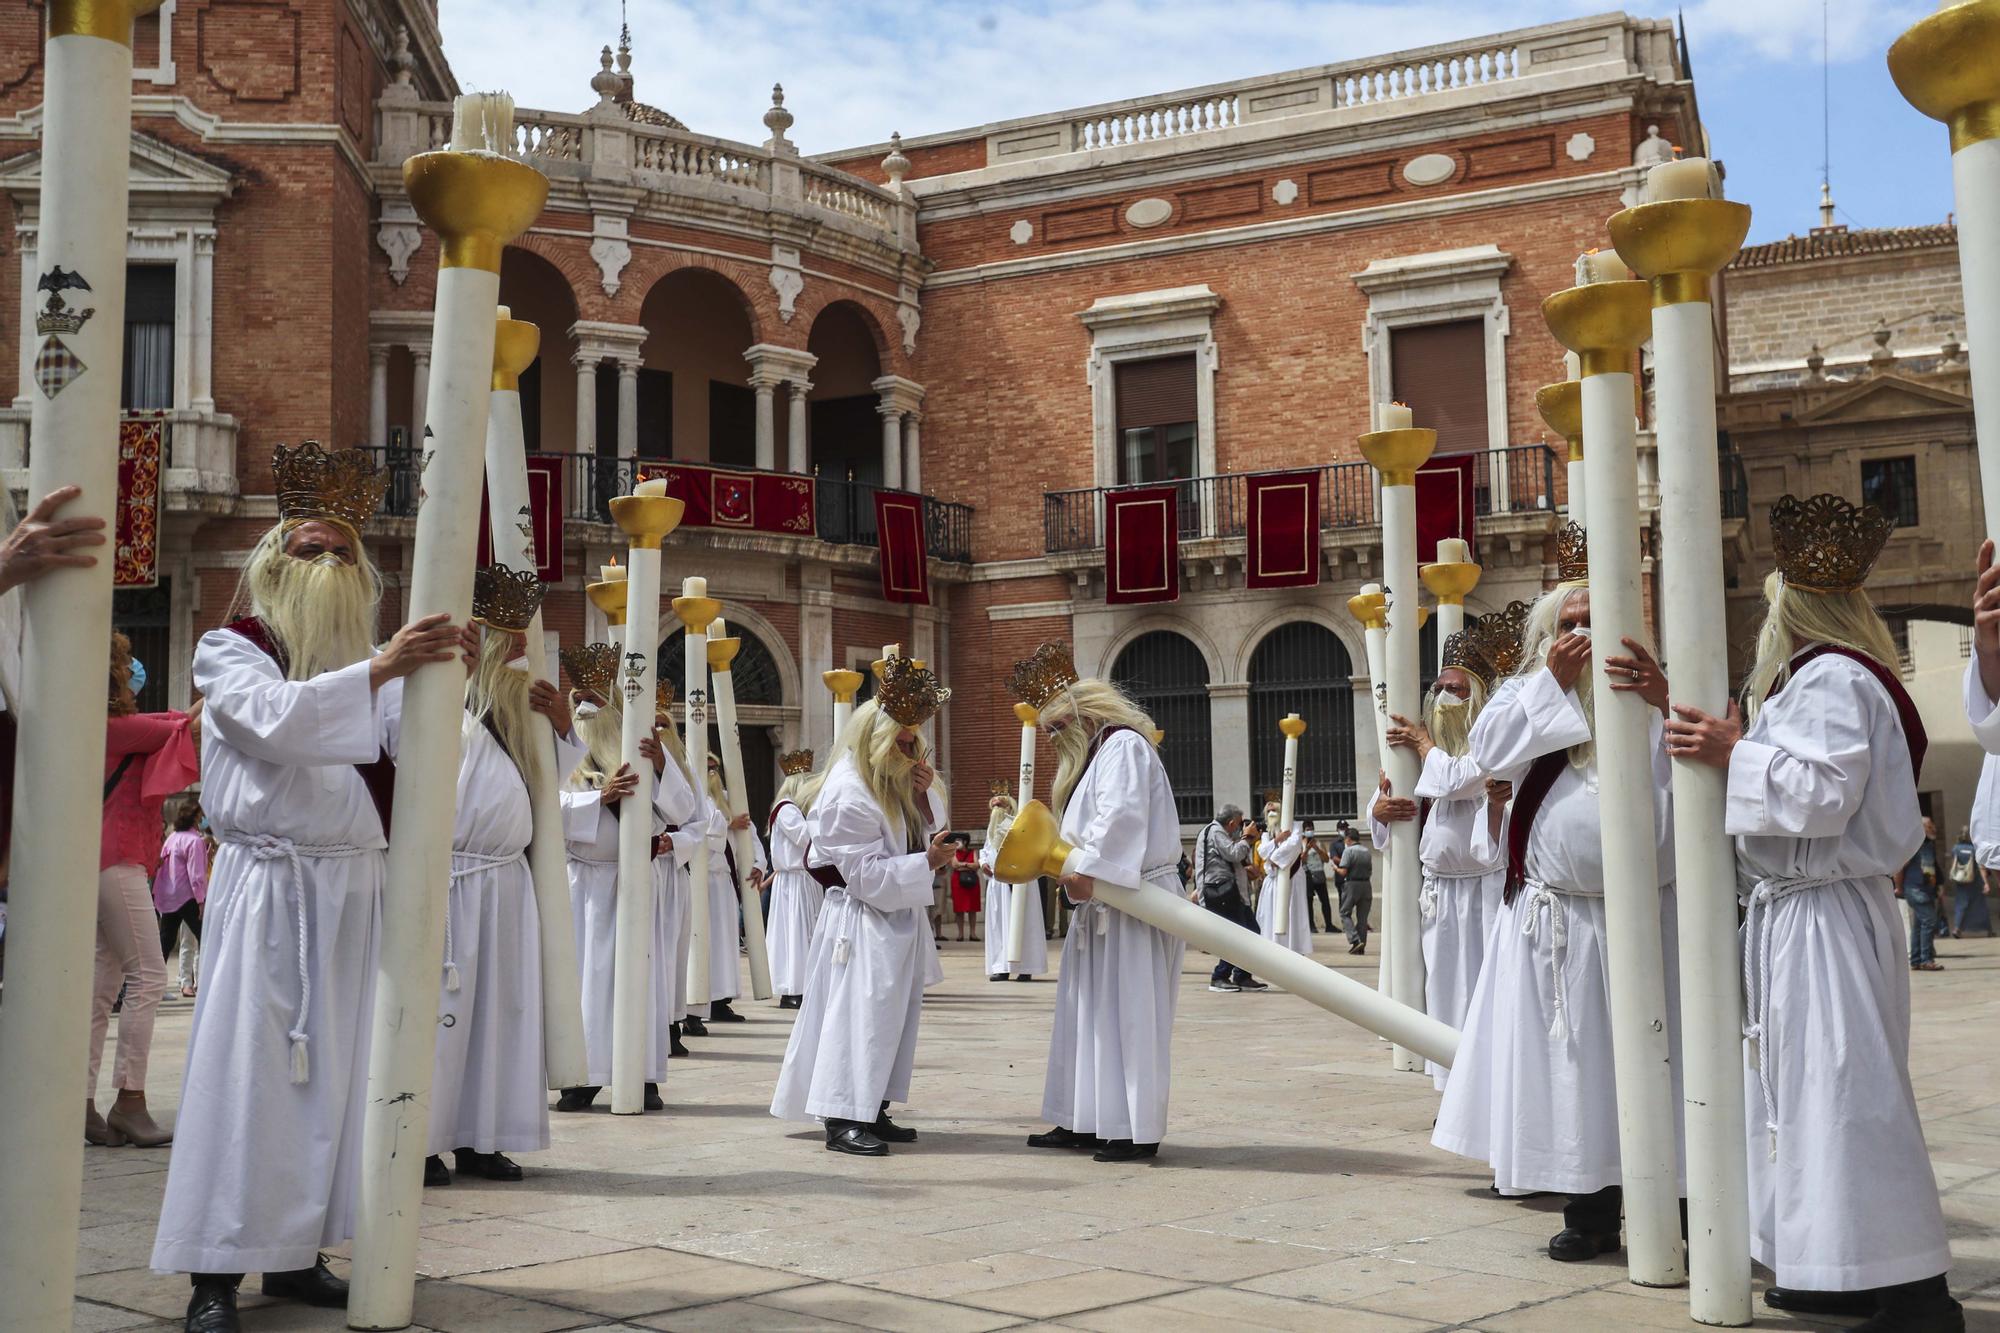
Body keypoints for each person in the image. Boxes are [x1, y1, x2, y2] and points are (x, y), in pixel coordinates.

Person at [150, 442, 472, 1333]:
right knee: (249, 1078)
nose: (327, 565)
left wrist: (451, 675)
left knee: (338, 1083)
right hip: (271, 890)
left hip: (354, 892)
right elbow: (274, 724)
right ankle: (214, 1271)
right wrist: (383, 670)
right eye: (308, 550)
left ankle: (297, 1255)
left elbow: (427, 759)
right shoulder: (231, 649)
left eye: (342, 552)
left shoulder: (377, 666)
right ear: (271, 567)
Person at [1668, 493, 1961, 1331]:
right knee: (1805, 1098)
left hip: (1825, 915)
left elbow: (1825, 795)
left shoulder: (1834, 675)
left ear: (1792, 610)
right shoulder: (1821, 680)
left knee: (1848, 1096)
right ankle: (1831, 1265)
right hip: (1804, 914)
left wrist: (1736, 751)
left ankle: (1917, 1297)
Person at [1431, 525, 1684, 1265]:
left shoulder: (1645, 690)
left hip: (1648, 915)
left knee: (1660, 1061)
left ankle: (1682, 1201)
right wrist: (1550, 682)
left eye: (1590, 620)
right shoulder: (1525, 695)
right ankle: (1591, 1206)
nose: (1578, 633)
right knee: (1575, 1066)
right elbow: (1489, 750)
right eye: (1565, 623)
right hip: (1559, 923)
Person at [422, 567, 578, 1186]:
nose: (522, 654)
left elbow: (549, 788)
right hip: (453, 883)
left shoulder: (515, 719)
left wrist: (563, 726)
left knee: (501, 1016)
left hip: (507, 885)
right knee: (446, 1015)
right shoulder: (448, 705)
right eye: (511, 642)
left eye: (524, 642)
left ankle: (483, 1137)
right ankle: (425, 1139)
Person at [770, 656, 952, 1156]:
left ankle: (873, 1106)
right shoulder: (850, 791)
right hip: (862, 921)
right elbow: (865, 874)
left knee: (891, 1017)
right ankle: (841, 1114)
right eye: (903, 742)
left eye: (914, 743)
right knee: (859, 1016)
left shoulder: (888, 781)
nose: (911, 752)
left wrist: (921, 801)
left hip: (894, 918)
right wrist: (928, 862)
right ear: (879, 739)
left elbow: (918, 833)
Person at [1011, 643, 1186, 1162]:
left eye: (1060, 726)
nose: (1055, 740)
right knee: (1086, 1014)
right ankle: (1083, 1117)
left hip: (1134, 898)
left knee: (1131, 1015)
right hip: (1100, 901)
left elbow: (1121, 818)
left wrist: (1086, 870)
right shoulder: (1095, 756)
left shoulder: (1124, 747)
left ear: (1087, 714)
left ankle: (1134, 1128)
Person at [1376, 613, 1522, 1090]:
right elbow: (1392, 803)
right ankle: (1452, 1086)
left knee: (1486, 992)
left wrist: (1421, 743)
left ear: (1477, 698)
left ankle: (1490, 1085)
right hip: (1439, 893)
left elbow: (1458, 783)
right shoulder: (1425, 755)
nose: (1444, 697)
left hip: (1485, 890)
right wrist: (1382, 807)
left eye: (1457, 689)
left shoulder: (1489, 746)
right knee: (1443, 992)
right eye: (1438, 687)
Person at [556, 647, 694, 1110]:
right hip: (588, 887)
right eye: (578, 699)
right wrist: (598, 799)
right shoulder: (563, 754)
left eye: (594, 699)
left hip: (635, 883)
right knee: (590, 980)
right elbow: (545, 808)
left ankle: (642, 1072)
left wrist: (659, 767)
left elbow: (684, 811)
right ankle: (586, 1075)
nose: (584, 710)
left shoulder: (637, 753)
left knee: (641, 976)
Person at [90, 633, 199, 1148]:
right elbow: (185, 724)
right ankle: (130, 1099)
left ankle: (80, 1100)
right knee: (151, 975)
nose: (136, 676)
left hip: (105, 859)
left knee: (102, 986)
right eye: (127, 669)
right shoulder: (115, 728)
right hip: (118, 860)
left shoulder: (109, 727)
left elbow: (172, 722)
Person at [692, 753, 764, 1024]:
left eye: (714, 768)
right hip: (700, 880)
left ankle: (721, 999)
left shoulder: (724, 797)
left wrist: (758, 862)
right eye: (706, 767)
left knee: (724, 942)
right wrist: (726, 824)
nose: (711, 773)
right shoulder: (693, 795)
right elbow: (703, 834)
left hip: (723, 881)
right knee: (703, 941)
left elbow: (749, 832)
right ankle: (700, 1000)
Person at [766, 749, 824, 1009]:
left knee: (804, 934)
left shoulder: (794, 810)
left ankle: (804, 985)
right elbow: (805, 838)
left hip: (803, 879)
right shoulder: (787, 809)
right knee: (795, 934)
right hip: (794, 882)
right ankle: (793, 988)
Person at [1193, 804, 1265, 992]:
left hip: (1234, 894)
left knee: (1252, 932)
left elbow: (1234, 858)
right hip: (1221, 893)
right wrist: (1247, 838)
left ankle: (1242, 975)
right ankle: (1220, 976)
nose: (1242, 827)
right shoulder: (1216, 832)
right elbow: (1233, 854)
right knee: (1236, 936)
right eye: (1240, 824)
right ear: (1232, 822)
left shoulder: (1223, 834)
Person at [980, 788, 1047, 981]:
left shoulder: (1020, 826)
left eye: (1000, 807)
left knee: (1023, 924)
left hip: (1019, 881)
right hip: (998, 883)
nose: (997, 811)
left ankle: (1026, 966)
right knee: (1000, 926)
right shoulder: (992, 828)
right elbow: (986, 850)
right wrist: (983, 863)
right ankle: (1002, 966)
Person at [155, 800, 209, 1000]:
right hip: (188, 896)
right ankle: (212, 982)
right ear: (195, 818)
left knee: (165, 941)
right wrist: (201, 899)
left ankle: (156, 986)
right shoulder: (195, 841)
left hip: (168, 895)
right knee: (207, 938)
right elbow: (196, 874)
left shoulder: (172, 838)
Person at [1254, 799, 1311, 956]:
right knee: (1271, 914)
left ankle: (1295, 948)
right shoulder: (1267, 834)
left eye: (1274, 811)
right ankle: (1273, 949)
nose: (1271, 814)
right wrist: (1277, 840)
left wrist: (1274, 858)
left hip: (1292, 878)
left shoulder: (1296, 827)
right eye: (1268, 812)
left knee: (1293, 912)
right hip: (1273, 879)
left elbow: (1293, 845)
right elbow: (1262, 851)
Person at [1903, 817, 1943, 971]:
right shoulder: (1912, 844)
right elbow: (1901, 866)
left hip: (1927, 890)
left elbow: (1934, 867)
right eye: (1929, 825)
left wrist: (1939, 885)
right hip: (1916, 890)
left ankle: (1916, 960)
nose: (1933, 827)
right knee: (1929, 922)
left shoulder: (1928, 845)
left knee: (1920, 925)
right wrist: (1899, 887)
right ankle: (1926, 959)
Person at [1335, 825, 1377, 954]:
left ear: (1348, 839)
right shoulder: (1366, 851)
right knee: (1362, 918)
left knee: (1344, 913)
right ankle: (1361, 946)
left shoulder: (1349, 851)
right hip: (1366, 885)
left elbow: (1343, 871)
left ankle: (1355, 940)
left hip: (1352, 885)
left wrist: (1335, 868)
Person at [1301, 824, 1334, 934]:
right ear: (1303, 831)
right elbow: (1301, 860)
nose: (1310, 831)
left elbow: (1326, 859)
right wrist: (1306, 849)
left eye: (1311, 829)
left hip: (1319, 875)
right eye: (1307, 829)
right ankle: (1311, 926)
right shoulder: (1301, 843)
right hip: (1308, 875)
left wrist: (1317, 849)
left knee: (1325, 901)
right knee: (1309, 902)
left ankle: (1329, 925)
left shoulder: (1319, 843)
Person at [949, 835, 980, 942]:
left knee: (972, 909)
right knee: (959, 909)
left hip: (972, 882)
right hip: (958, 882)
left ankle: (973, 933)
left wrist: (963, 865)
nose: (956, 843)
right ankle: (960, 934)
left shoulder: (973, 852)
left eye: (959, 840)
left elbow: (977, 865)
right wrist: (968, 865)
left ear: (965, 842)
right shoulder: (953, 852)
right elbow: (954, 865)